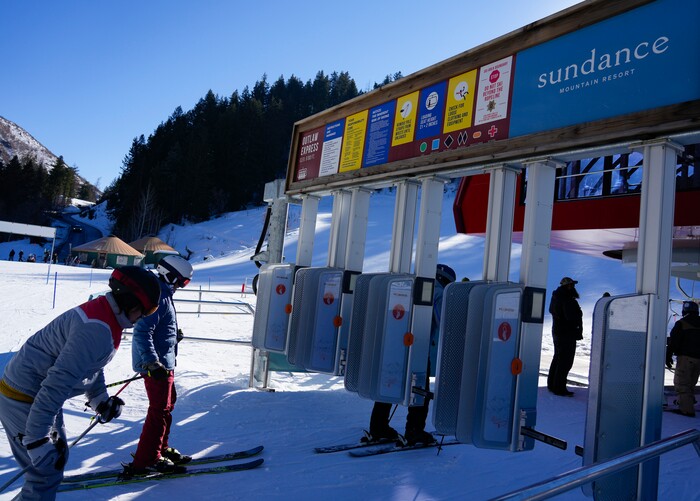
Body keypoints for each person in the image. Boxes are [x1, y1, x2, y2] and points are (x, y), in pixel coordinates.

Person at [0, 266, 160, 501]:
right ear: (131, 302)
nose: (141, 319)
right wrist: (36, 439)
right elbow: (57, 383)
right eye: (144, 312)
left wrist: (100, 400)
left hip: (36, 396)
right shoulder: (96, 328)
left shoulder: (106, 316)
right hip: (25, 397)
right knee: (45, 473)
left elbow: (92, 366)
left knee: (52, 466)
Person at [365, 263, 457, 446]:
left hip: (394, 345)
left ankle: (378, 427)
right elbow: (442, 323)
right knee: (420, 389)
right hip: (419, 349)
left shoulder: (406, 285)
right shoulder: (438, 292)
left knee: (389, 382)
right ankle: (414, 431)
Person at [121, 255, 194, 478]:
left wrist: (172, 338)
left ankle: (160, 449)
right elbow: (142, 332)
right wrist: (152, 362)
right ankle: (146, 460)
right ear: (169, 275)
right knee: (158, 411)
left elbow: (159, 327)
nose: (182, 286)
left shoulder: (164, 294)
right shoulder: (159, 296)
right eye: (182, 281)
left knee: (167, 406)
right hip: (157, 366)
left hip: (164, 362)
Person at [547, 276, 583, 397]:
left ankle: (552, 385)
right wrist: (578, 313)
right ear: (568, 286)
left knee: (558, 358)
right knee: (565, 361)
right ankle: (559, 388)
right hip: (566, 333)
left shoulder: (556, 297)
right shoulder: (567, 299)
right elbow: (570, 316)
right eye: (572, 285)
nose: (573, 287)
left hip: (557, 331)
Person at [666, 300, 700, 417]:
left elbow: (674, 342)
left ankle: (686, 410)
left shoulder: (682, 323)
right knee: (690, 384)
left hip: (685, 359)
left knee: (682, 384)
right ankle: (686, 402)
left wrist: (668, 356)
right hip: (698, 360)